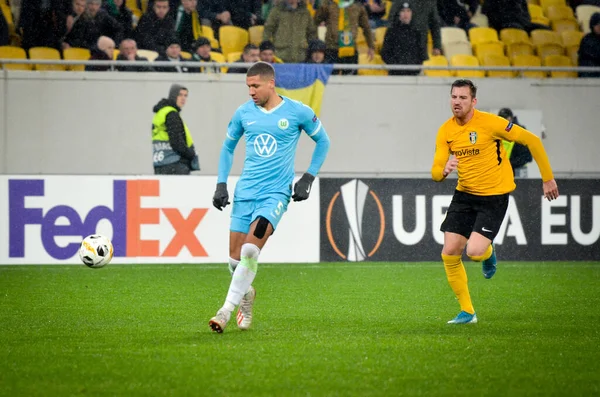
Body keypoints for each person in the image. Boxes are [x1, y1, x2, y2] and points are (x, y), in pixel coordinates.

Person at [209, 61, 331, 333]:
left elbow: (324, 141)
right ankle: (246, 295)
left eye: (255, 86)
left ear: (271, 83)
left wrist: (309, 176)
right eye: (248, 86)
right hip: (245, 193)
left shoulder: (298, 111)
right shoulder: (243, 113)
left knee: (250, 251)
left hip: (275, 194)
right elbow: (227, 148)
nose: (250, 91)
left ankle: (225, 311)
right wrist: (221, 184)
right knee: (234, 260)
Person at [431, 79, 559, 325]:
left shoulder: (491, 123)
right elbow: (436, 171)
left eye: (463, 98)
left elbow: (532, 140)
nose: (457, 102)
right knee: (449, 252)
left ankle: (489, 254)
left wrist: (548, 179)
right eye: (454, 97)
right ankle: (468, 312)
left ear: (473, 101)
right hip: (465, 194)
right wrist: (443, 170)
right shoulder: (445, 131)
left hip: (493, 196)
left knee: (475, 253)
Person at [152, 84, 200, 175]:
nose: (183, 98)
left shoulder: (161, 113)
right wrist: (190, 154)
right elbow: (177, 142)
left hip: (160, 163)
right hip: (174, 164)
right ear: (173, 95)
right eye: (180, 95)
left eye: (185, 96)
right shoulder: (172, 114)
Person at [380, 2, 426, 76]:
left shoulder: (417, 31)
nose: (406, 14)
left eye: (408, 11)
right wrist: (396, 66)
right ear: (399, 14)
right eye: (403, 11)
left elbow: (422, 53)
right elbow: (385, 53)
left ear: (411, 13)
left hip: (413, 73)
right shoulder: (391, 31)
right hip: (395, 73)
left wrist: (414, 67)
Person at [497, 108, 532, 177]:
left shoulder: (519, 131)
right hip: (505, 169)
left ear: (510, 119)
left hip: (518, 169)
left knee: (520, 187)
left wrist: (509, 163)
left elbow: (527, 156)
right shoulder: (499, 132)